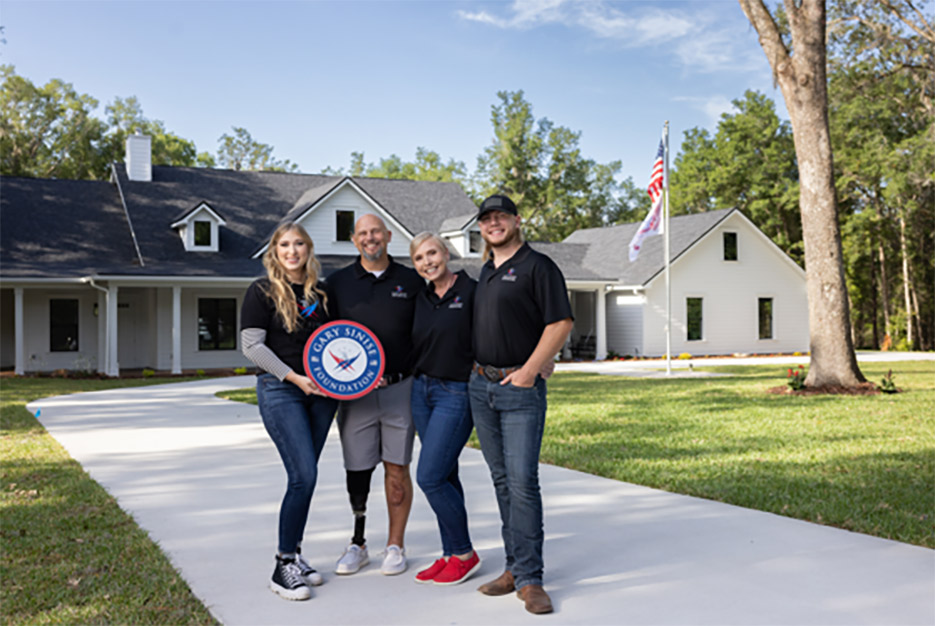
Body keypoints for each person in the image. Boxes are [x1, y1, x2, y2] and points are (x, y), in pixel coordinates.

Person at [469, 194, 573, 615]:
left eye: (501, 217)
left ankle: (531, 580)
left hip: (519, 389)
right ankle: (513, 567)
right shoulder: (486, 271)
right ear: (480, 227)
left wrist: (532, 368)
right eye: (487, 219)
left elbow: (561, 321)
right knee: (501, 481)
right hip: (481, 387)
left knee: (522, 482)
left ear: (516, 220)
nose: (494, 224)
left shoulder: (538, 266)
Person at [240, 222, 338, 601]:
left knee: (305, 478)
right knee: (304, 474)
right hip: (282, 390)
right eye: (284, 244)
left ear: (309, 249)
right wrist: (294, 377)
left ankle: (294, 555)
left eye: (299, 243)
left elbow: (338, 339)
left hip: (323, 395)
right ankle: (283, 566)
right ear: (275, 251)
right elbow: (252, 347)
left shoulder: (323, 293)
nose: (292, 250)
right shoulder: (261, 291)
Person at [325, 213, 424, 576]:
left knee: (397, 468)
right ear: (354, 240)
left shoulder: (412, 281)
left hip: (401, 387)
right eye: (363, 234)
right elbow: (312, 328)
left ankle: (395, 545)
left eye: (376, 232)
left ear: (388, 235)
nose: (370, 238)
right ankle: (358, 542)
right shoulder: (336, 284)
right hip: (355, 395)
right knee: (358, 470)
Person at [407, 232, 481, 586]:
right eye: (419, 258)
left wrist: (538, 361)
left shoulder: (472, 291)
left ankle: (465, 553)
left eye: (432, 253)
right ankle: (450, 552)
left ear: (446, 252)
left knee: (430, 476)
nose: (427, 262)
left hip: (456, 391)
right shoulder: (420, 297)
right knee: (446, 475)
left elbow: (503, 327)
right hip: (421, 391)